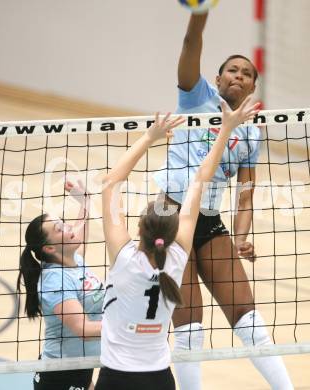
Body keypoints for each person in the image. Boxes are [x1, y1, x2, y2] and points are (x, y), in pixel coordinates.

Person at [153, 9, 294, 390]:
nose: (239, 76)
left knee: (249, 318)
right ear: (217, 79)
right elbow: (189, 45)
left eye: (247, 74)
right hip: (167, 218)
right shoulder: (197, 97)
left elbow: (246, 193)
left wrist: (242, 234)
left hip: (209, 222)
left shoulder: (252, 132)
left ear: (252, 89)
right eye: (232, 70)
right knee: (190, 326)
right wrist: (199, 11)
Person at [95, 99, 260, 390]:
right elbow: (200, 180)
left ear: (139, 227)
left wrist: (150, 136)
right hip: (159, 378)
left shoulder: (124, 258)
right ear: (173, 234)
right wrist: (227, 130)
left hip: (116, 377)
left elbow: (110, 183)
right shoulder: (177, 258)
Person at [17, 180, 103, 390]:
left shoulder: (75, 261)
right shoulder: (56, 281)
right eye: (59, 229)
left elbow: (78, 233)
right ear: (49, 249)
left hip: (81, 368)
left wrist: (85, 201)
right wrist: (127, 327)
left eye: (64, 223)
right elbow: (82, 329)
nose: (68, 228)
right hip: (60, 376)